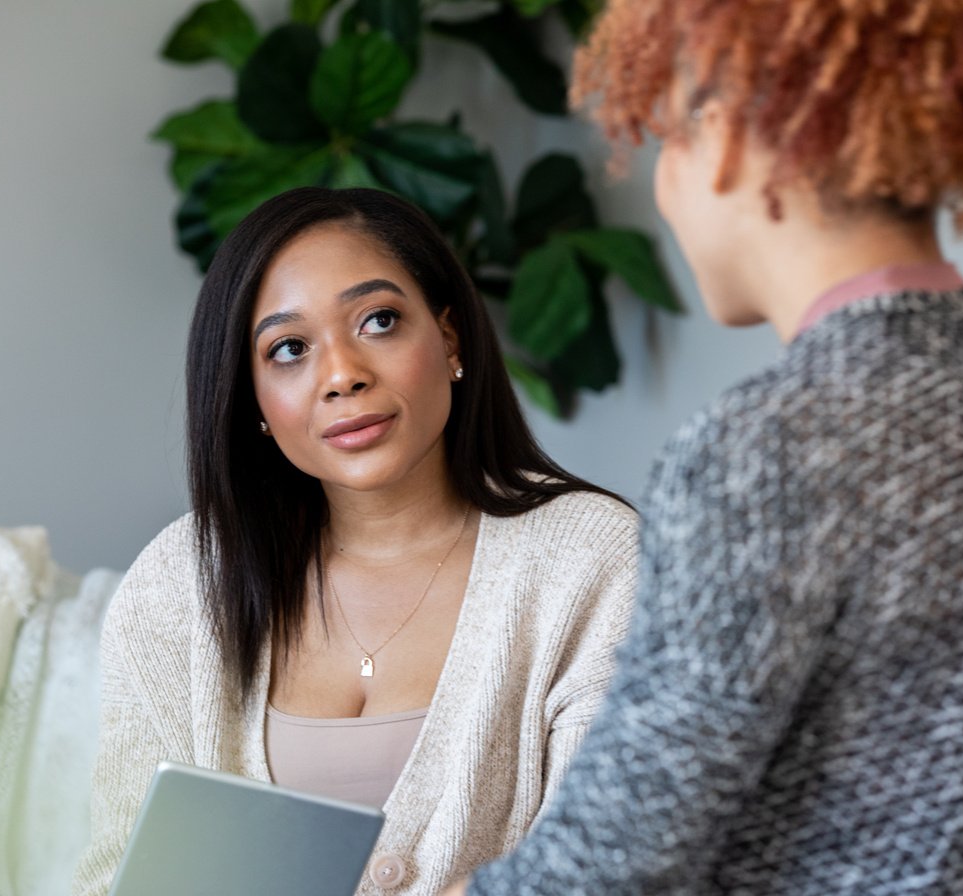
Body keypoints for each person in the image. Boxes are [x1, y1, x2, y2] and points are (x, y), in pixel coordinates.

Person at [443, 1, 963, 893]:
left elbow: (617, 858)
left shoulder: (764, 449)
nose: (662, 187)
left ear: (729, 130)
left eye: (663, 137)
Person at [71, 187, 640, 895]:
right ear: (251, 399)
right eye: (288, 349)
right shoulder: (181, 581)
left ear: (450, 338)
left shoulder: (590, 559)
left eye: (378, 320)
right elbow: (116, 878)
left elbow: (619, 863)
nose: (342, 375)